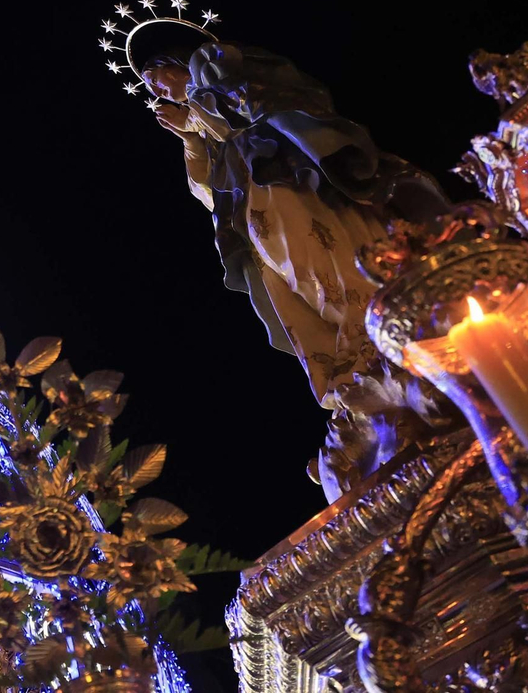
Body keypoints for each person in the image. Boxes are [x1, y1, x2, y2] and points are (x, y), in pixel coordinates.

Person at [137, 29, 451, 498]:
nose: (158, 91)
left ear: (174, 59)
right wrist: (189, 136)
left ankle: (378, 335)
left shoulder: (214, 65)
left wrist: (200, 107)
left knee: (317, 258)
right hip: (252, 204)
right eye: (150, 89)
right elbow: (209, 192)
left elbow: (255, 107)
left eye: (156, 77)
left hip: (285, 180)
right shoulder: (198, 117)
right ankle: (355, 367)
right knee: (292, 282)